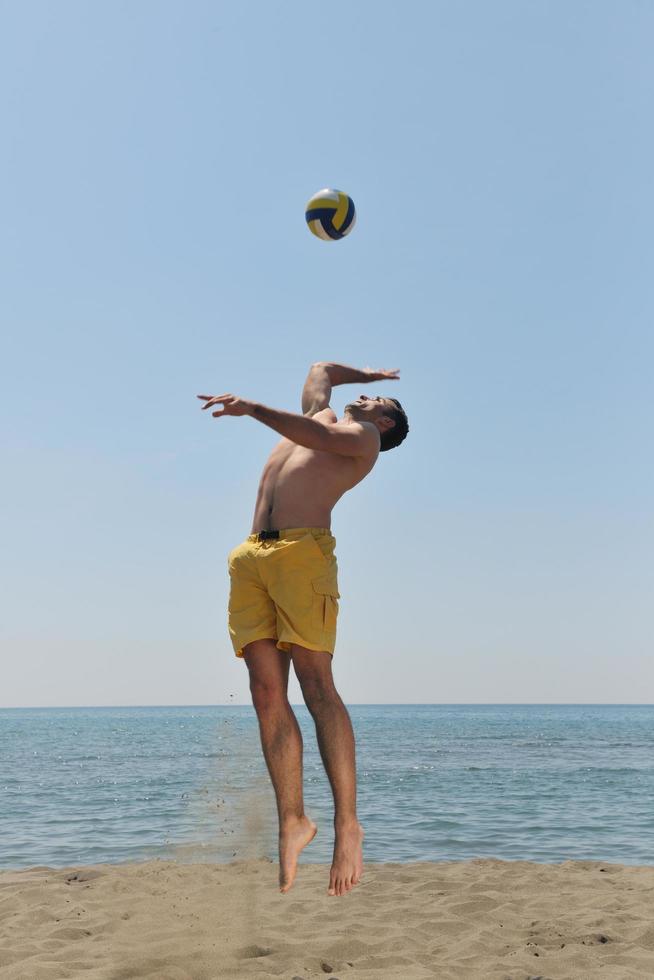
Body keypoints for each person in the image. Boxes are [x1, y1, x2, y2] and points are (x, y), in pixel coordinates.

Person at [198, 362, 409, 896]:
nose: (365, 401)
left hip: (301, 555)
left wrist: (253, 409)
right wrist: (372, 376)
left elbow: (314, 433)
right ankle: (293, 820)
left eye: (378, 404)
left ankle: (347, 825)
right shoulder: (329, 413)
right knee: (267, 691)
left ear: (386, 424)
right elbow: (320, 371)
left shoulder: (361, 440)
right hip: (252, 555)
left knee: (316, 686)